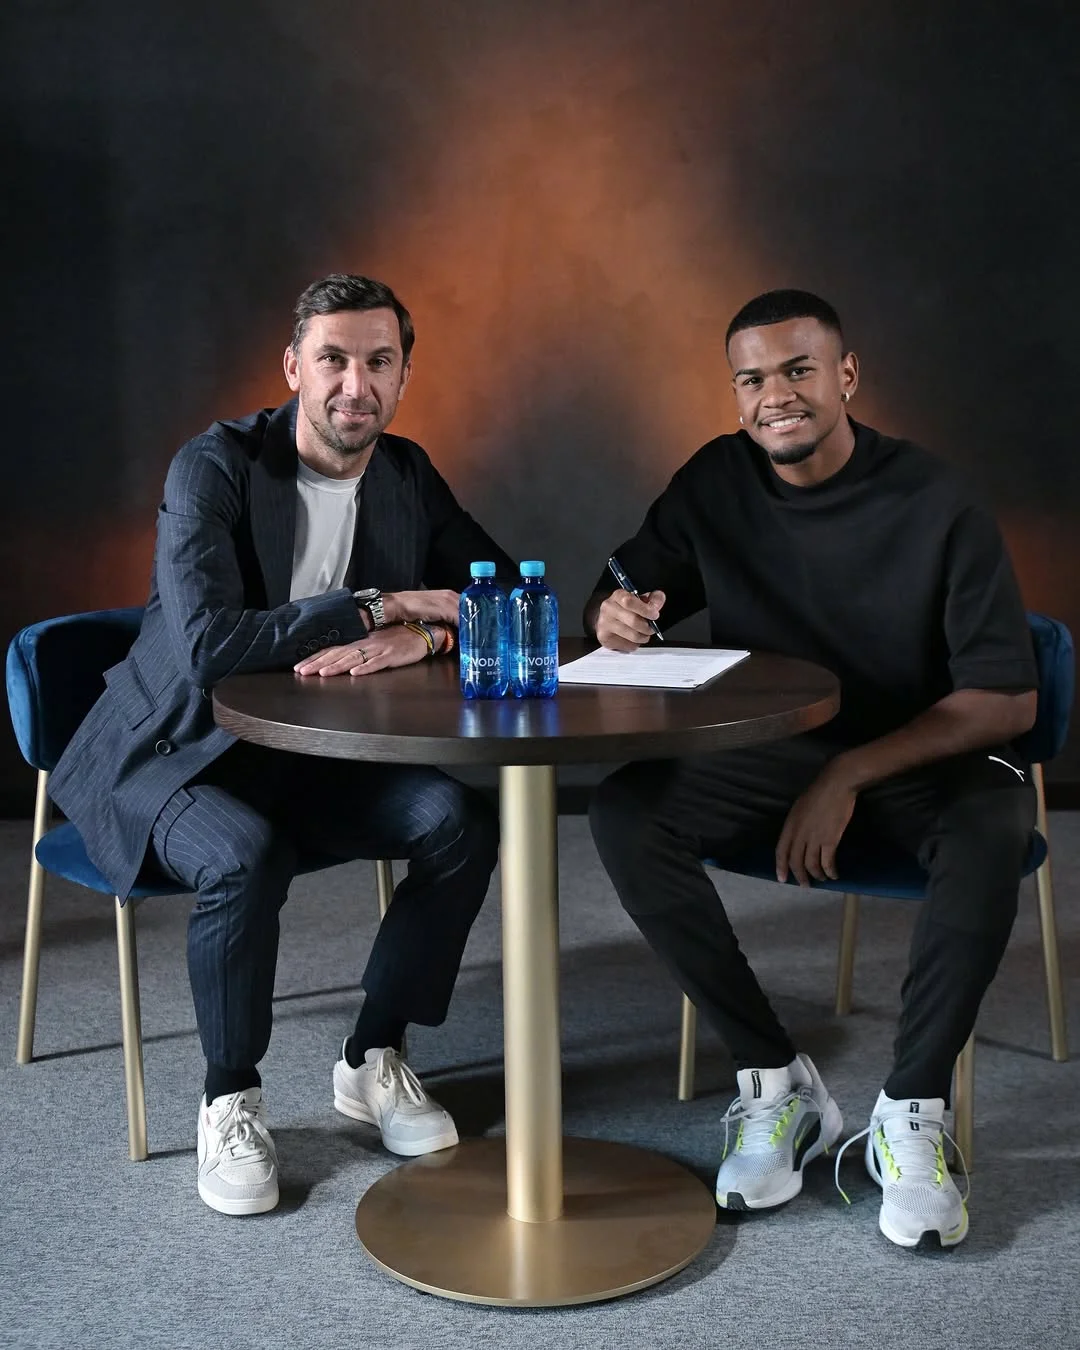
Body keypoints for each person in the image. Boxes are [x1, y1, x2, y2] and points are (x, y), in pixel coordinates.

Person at [49, 273, 516, 1216]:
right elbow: (210, 648)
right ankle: (229, 1096)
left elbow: (502, 591)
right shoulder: (214, 468)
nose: (356, 384)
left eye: (379, 361)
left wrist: (424, 638)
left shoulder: (405, 474)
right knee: (242, 853)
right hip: (171, 751)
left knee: (460, 819)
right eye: (334, 359)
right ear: (294, 367)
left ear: (404, 375)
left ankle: (372, 1055)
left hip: (307, 754)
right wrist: (382, 603)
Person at [586, 289, 1037, 1251]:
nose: (775, 396)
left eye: (798, 370)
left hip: (920, 754)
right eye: (751, 379)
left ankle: (910, 1114)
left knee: (994, 824)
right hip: (773, 755)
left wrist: (849, 776)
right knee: (627, 812)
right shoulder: (717, 479)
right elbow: (623, 583)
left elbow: (1006, 699)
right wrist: (610, 616)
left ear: (847, 376)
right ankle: (776, 1082)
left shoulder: (937, 498)